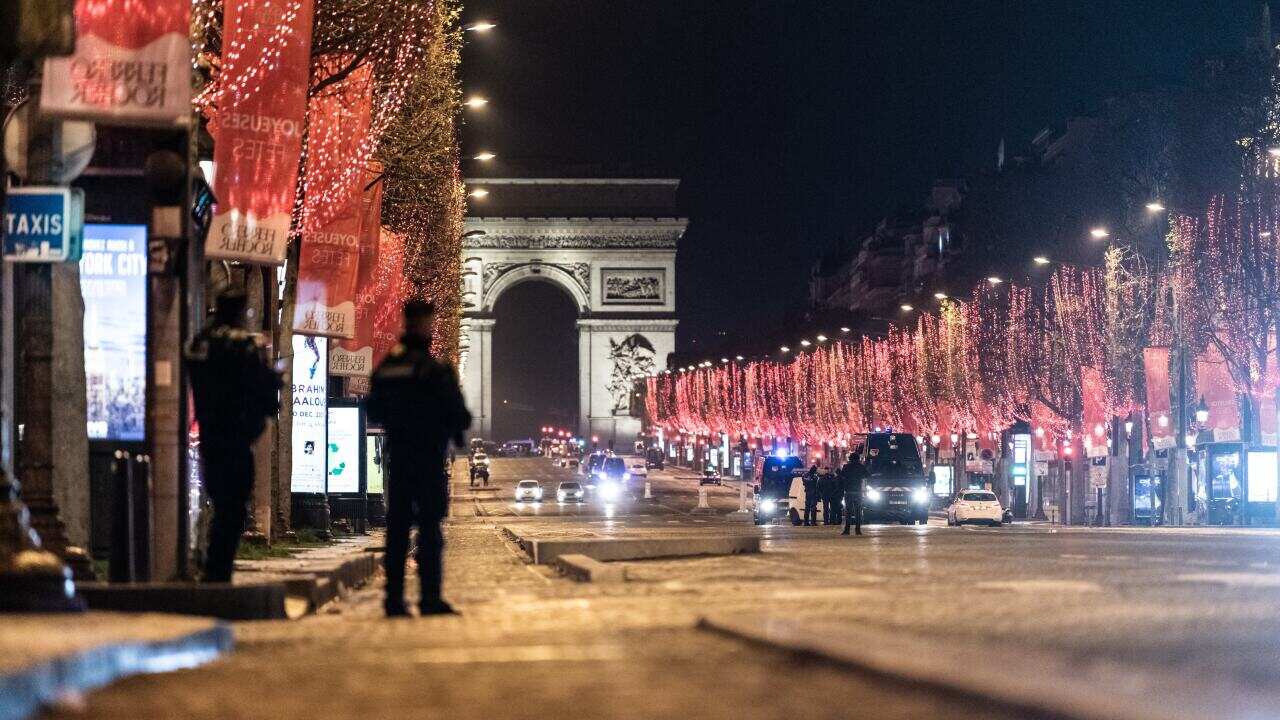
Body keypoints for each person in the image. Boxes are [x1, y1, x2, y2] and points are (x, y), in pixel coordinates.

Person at [367, 300, 471, 617]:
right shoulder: (436, 370)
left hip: (399, 456)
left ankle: (394, 600)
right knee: (429, 528)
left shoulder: (388, 366)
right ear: (426, 326)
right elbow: (460, 417)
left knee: (397, 528)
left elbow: (373, 410)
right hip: (427, 457)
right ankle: (429, 598)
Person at [188, 290, 283, 582]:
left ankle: (206, 560)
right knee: (233, 506)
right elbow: (262, 388)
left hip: (210, 432)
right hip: (237, 434)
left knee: (217, 500)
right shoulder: (243, 345)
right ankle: (218, 569)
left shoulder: (202, 342)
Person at [840, 452, 868, 536]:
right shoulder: (861, 467)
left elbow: (842, 475)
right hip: (858, 492)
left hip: (848, 491)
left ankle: (847, 530)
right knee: (858, 512)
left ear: (850, 459)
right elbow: (867, 475)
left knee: (848, 512)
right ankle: (858, 530)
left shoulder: (846, 467)